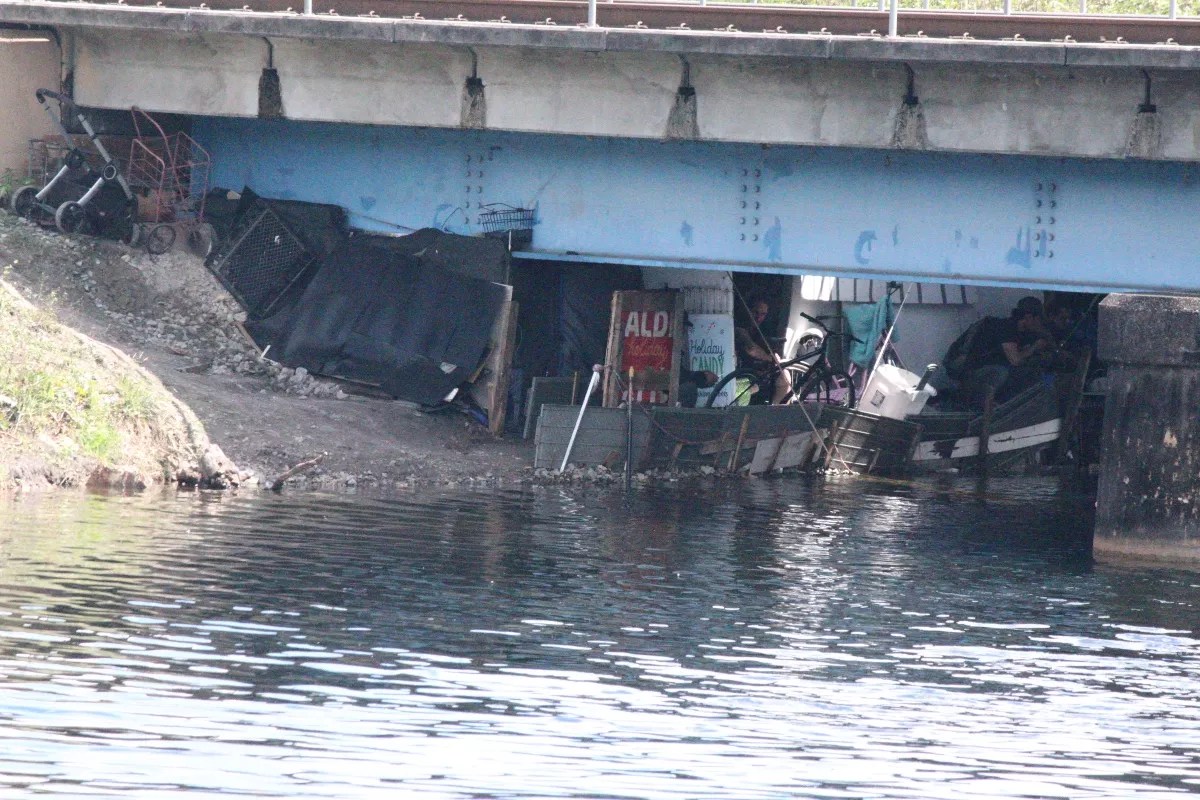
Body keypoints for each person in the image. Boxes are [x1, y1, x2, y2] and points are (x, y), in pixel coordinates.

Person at [954, 296, 1053, 406]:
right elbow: (1015, 360)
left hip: (985, 375)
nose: (1039, 323)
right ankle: (985, 404)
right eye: (1038, 319)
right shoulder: (1006, 328)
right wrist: (1034, 347)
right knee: (1002, 372)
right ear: (1029, 317)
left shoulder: (1021, 332)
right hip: (972, 375)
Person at [734, 294, 792, 404]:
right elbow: (751, 349)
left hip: (751, 372)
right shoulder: (739, 328)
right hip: (740, 375)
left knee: (784, 375)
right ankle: (773, 410)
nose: (759, 317)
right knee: (782, 378)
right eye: (756, 312)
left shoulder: (759, 329)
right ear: (748, 310)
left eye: (763, 314)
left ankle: (774, 409)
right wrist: (770, 359)